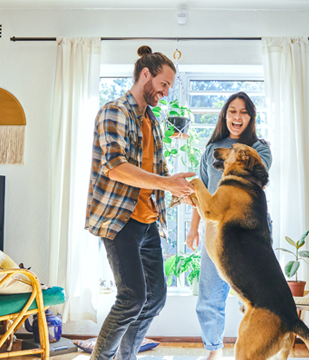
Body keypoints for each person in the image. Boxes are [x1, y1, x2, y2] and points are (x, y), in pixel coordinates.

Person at [85, 45, 195, 360]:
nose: (165, 92)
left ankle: (126, 356)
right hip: (119, 220)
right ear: (145, 75)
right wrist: (164, 182)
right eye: (163, 84)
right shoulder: (114, 111)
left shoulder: (153, 121)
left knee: (156, 298)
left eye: (169, 87)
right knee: (131, 297)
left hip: (147, 223)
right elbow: (116, 167)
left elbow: (156, 173)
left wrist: (180, 189)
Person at [185, 92, 272, 360]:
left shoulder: (260, 148)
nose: (237, 116)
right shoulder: (212, 149)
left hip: (248, 231)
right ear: (225, 115)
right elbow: (201, 191)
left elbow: (256, 177)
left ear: (251, 117)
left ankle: (252, 350)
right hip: (215, 231)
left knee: (252, 296)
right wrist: (193, 228)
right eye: (232, 111)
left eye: (243, 111)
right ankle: (213, 350)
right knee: (209, 295)